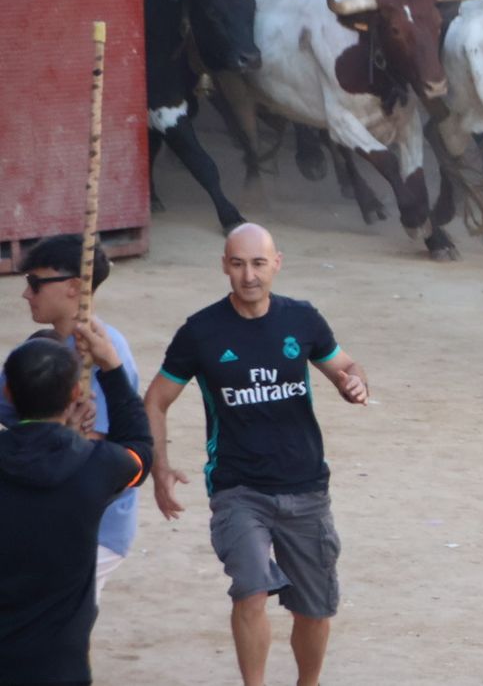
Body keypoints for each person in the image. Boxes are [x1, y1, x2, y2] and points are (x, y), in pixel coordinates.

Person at [144, 223, 370, 686]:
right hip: (238, 488)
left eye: (259, 264)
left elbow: (343, 365)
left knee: (315, 609)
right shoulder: (200, 332)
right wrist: (159, 468)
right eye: (238, 263)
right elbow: (156, 400)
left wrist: (354, 383)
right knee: (250, 590)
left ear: (277, 264)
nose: (249, 275)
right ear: (224, 266)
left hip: (306, 486)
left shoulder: (302, 319)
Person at [0, 320, 151, 686]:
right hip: (60, 668)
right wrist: (112, 368)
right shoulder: (97, 466)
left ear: (7, 393)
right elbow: (141, 454)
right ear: (74, 396)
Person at [0, 235, 141, 604]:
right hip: (46, 514)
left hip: (93, 526)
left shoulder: (106, 354)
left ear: (74, 287)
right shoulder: (39, 351)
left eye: (35, 283)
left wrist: (67, 436)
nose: (26, 294)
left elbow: (102, 453)